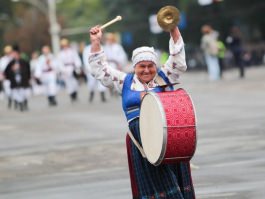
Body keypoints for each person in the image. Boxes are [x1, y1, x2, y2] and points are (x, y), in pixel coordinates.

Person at [89, 25, 195, 198]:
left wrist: (173, 28)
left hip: (166, 142)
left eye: (150, 66)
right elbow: (100, 70)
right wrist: (95, 42)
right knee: (151, 187)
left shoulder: (164, 76)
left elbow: (178, 60)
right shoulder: (125, 81)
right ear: (134, 67)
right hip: (141, 144)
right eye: (141, 66)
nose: (146, 70)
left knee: (173, 184)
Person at [4, 45, 31, 111]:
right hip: (14, 79)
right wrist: (12, 69)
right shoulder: (11, 63)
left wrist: (20, 69)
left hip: (22, 79)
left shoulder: (23, 62)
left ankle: (24, 102)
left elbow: (27, 70)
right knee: (16, 92)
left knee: (23, 92)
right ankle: (20, 103)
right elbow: (6, 71)